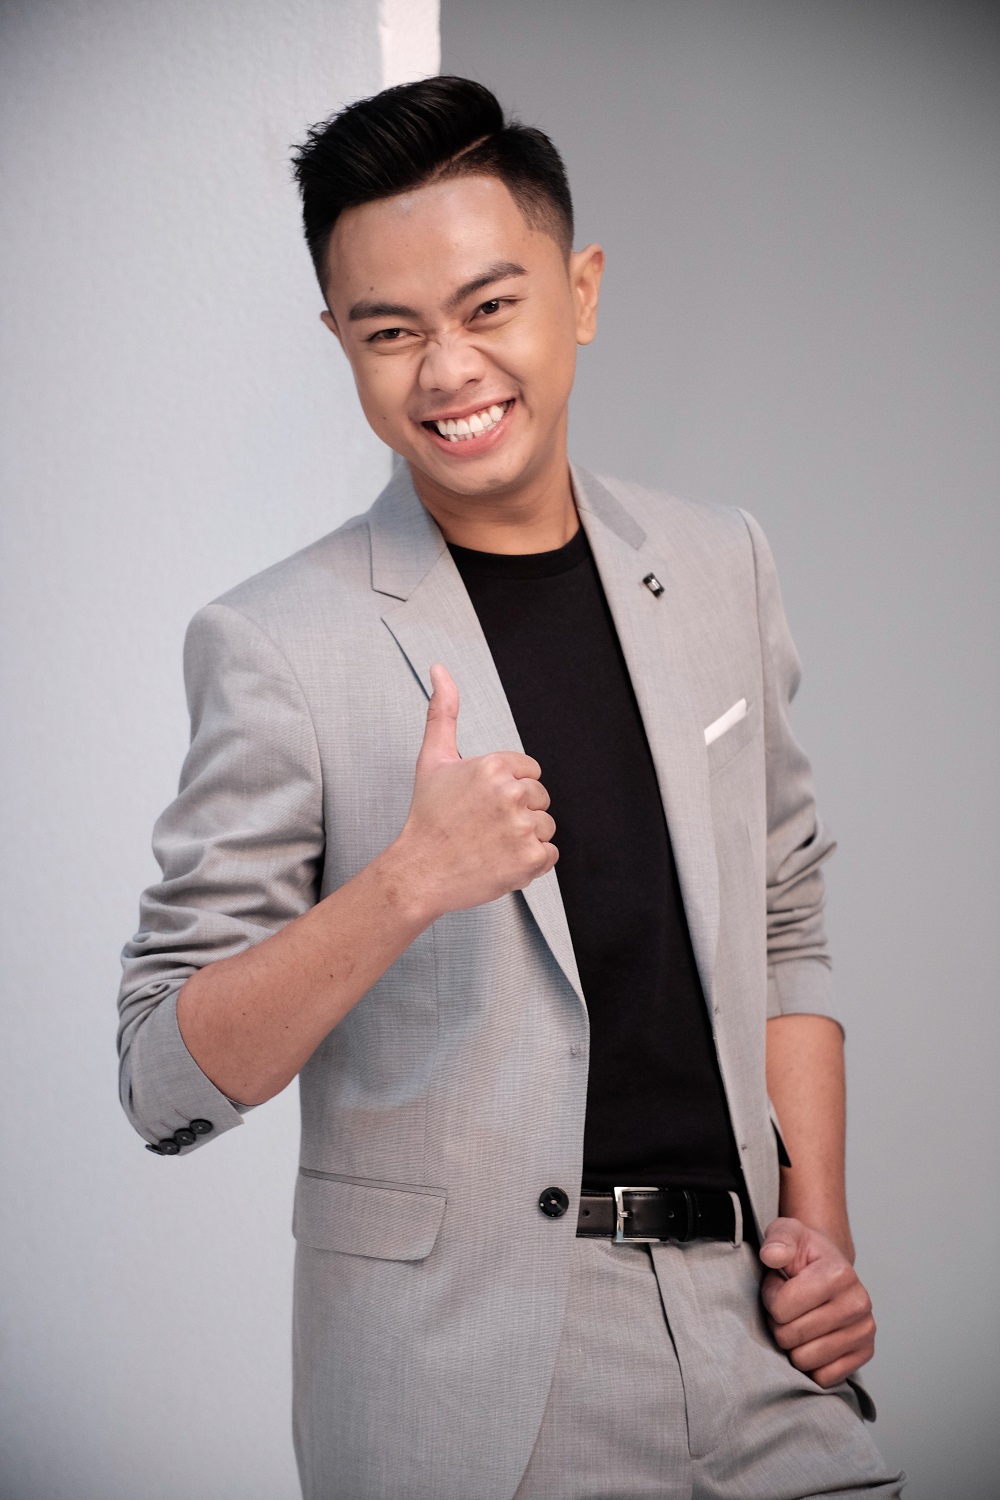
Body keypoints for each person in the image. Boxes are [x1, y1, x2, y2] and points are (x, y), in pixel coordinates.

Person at [117, 76, 903, 1500]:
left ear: (579, 292)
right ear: (340, 343)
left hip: (758, 1331)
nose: (447, 370)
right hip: (470, 1387)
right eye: (390, 331)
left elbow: (785, 915)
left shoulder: (717, 562)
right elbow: (161, 1080)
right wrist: (406, 885)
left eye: (489, 307)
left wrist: (823, 1226)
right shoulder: (275, 643)